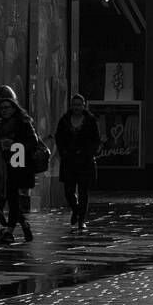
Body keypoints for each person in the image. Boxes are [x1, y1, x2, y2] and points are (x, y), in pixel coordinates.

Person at [0, 86, 40, 244]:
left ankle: (9, 232)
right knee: (12, 199)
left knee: (13, 199)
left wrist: (14, 143)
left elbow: (33, 142)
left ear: (14, 107)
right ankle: (24, 224)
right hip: (2, 166)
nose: (4, 110)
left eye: (7, 107)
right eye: (1, 108)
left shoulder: (23, 123)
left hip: (19, 164)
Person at [55, 94, 101, 230]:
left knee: (83, 191)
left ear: (84, 105)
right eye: (74, 104)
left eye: (79, 105)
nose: (76, 107)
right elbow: (59, 138)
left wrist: (88, 153)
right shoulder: (64, 120)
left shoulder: (90, 121)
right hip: (69, 161)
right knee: (68, 192)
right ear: (71, 106)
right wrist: (63, 152)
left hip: (85, 161)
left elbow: (95, 140)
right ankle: (75, 209)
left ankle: (82, 219)